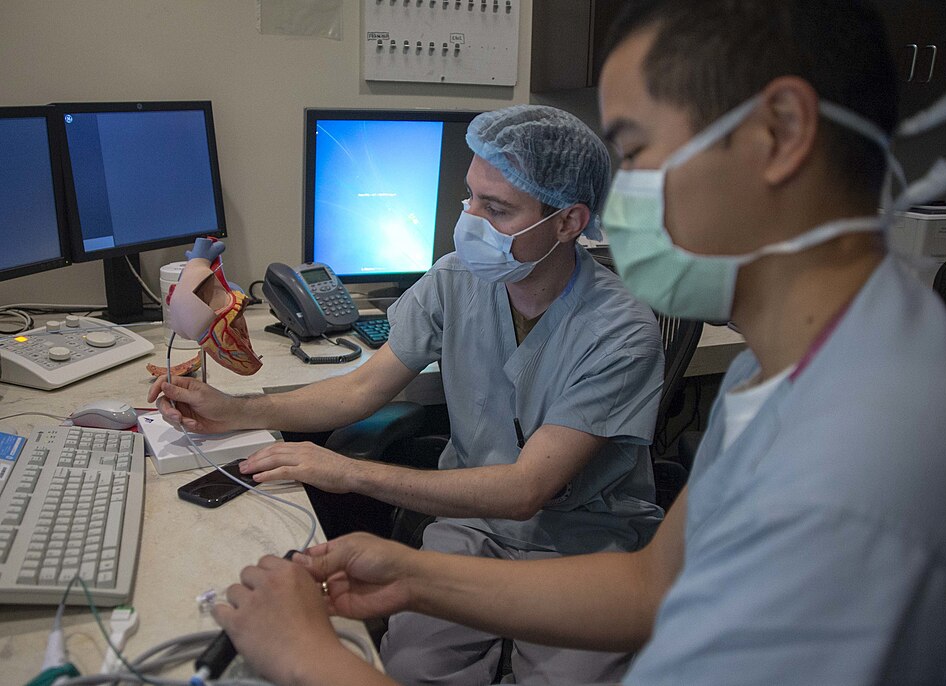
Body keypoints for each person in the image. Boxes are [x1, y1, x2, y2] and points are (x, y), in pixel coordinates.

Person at [207, 1, 946, 685]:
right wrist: (415, 575)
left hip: (577, 540)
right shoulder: (792, 367)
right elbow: (651, 588)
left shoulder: (853, 467)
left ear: (780, 134)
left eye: (632, 152)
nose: (615, 199)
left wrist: (312, 661)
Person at [150, 104, 665, 685]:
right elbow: (362, 388)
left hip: (585, 549)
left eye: (495, 209)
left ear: (569, 222)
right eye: (470, 198)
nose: (468, 220)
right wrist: (236, 411)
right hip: (470, 528)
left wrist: (348, 471)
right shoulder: (457, 278)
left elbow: (526, 491)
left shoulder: (621, 331)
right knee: (411, 668)